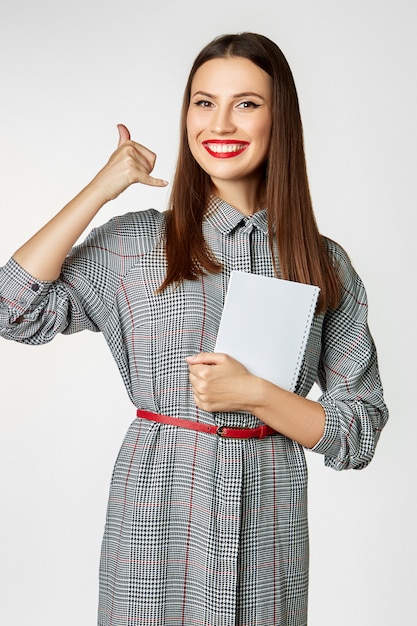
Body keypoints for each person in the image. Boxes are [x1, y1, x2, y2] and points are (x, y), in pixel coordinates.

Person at [0, 32, 388, 626]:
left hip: (269, 528)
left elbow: (357, 433)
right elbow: (11, 308)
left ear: (280, 118)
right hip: (157, 521)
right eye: (204, 102)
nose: (221, 123)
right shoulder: (136, 245)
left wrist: (258, 394)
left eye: (247, 104)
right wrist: (100, 189)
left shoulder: (322, 262)